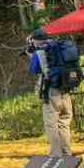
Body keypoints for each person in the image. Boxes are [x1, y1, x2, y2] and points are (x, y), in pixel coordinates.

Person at [28, 27, 74, 156]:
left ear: (36, 41)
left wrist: (32, 55)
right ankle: (67, 153)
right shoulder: (60, 47)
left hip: (52, 92)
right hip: (66, 90)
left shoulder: (40, 53)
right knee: (64, 123)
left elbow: (34, 70)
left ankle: (56, 155)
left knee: (51, 125)